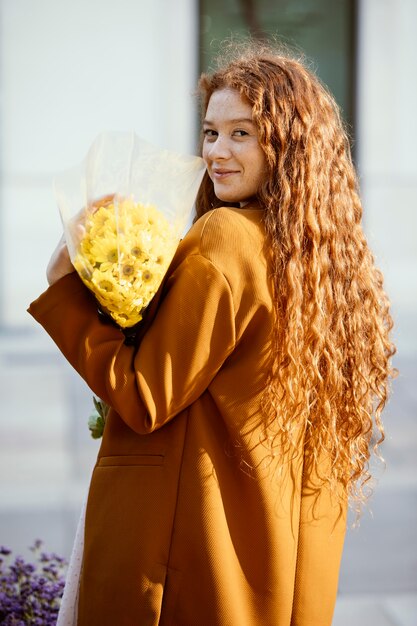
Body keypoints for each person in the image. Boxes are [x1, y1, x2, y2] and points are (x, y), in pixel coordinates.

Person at [28, 42, 395, 626]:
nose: (217, 153)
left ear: (288, 145)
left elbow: (146, 395)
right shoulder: (321, 259)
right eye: (210, 133)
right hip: (264, 562)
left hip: (181, 559)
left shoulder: (225, 237)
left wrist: (66, 284)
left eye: (242, 134)